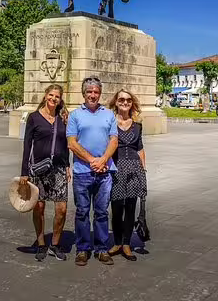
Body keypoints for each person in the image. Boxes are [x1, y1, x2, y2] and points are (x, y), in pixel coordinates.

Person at [66, 76, 118, 267]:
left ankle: (102, 249)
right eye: (89, 92)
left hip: (105, 171)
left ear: (100, 93)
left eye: (96, 92)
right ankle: (82, 249)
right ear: (84, 93)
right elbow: (71, 143)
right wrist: (92, 160)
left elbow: (114, 140)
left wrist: (103, 160)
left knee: (102, 212)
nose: (93, 95)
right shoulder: (75, 115)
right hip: (82, 171)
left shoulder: (109, 114)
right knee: (82, 212)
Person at [20, 84, 71, 262]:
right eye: (51, 95)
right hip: (38, 168)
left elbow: (66, 144)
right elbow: (27, 145)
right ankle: (41, 243)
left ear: (60, 99)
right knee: (39, 207)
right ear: (45, 96)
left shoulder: (63, 117)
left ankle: (55, 244)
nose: (53, 99)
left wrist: (67, 165)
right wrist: (24, 172)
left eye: (57, 96)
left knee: (62, 209)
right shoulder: (34, 117)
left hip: (58, 168)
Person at [108, 89, 147, 262]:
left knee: (131, 207)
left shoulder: (137, 125)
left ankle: (126, 243)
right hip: (116, 168)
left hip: (134, 168)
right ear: (116, 102)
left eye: (129, 100)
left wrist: (143, 170)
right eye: (122, 99)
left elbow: (140, 147)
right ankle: (116, 242)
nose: (125, 102)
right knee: (116, 208)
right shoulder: (109, 123)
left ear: (132, 103)